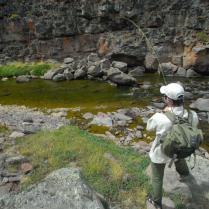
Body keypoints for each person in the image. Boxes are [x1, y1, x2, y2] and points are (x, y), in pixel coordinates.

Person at [146, 82, 199, 209]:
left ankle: (156, 202)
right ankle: (185, 174)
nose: (163, 98)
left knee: (157, 178)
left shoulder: (160, 117)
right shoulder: (193, 115)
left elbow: (149, 128)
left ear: (168, 100)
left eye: (164, 96)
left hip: (162, 152)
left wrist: (165, 113)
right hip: (181, 149)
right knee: (178, 155)